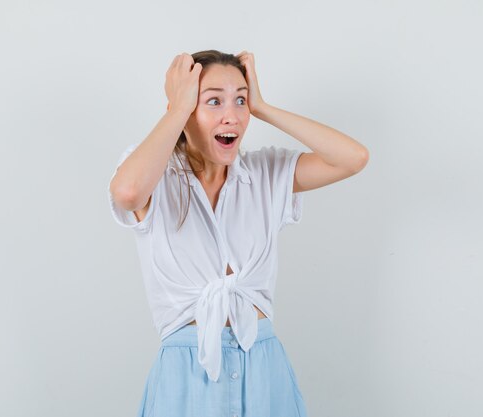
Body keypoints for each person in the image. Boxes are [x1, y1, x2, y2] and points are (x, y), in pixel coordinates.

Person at [108, 49, 369, 417]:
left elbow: (352, 158)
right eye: (213, 100)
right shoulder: (155, 173)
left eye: (240, 100)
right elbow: (128, 192)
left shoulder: (265, 174)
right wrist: (176, 109)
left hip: (264, 367)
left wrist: (263, 107)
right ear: (185, 106)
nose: (231, 115)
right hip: (186, 373)